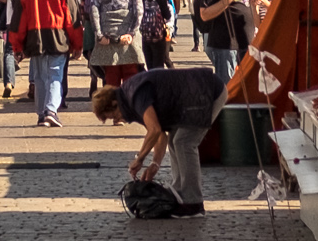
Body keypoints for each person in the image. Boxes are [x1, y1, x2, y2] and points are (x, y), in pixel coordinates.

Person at [95, 64, 223, 216]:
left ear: (114, 104)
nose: (120, 119)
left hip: (208, 92)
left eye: (115, 116)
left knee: (184, 142)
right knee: (175, 140)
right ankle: (179, 193)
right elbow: (161, 133)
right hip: (197, 94)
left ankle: (193, 202)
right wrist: (155, 164)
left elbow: (154, 129)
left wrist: (140, 158)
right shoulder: (129, 97)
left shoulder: (135, 96)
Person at [12, 0, 80, 126]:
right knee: (55, 74)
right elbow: (72, 17)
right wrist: (77, 44)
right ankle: (51, 110)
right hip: (58, 35)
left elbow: (18, 20)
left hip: (35, 37)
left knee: (40, 76)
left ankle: (42, 113)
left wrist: (17, 46)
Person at [81, 0, 145, 95]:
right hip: (129, 38)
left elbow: (94, 11)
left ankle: (115, 111)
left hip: (107, 36)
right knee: (131, 74)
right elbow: (139, 11)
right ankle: (129, 107)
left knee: (111, 77)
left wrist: (99, 34)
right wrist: (131, 32)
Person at [193, 0, 250, 84]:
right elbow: (204, 14)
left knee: (245, 86)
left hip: (245, 42)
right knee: (228, 87)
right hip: (226, 45)